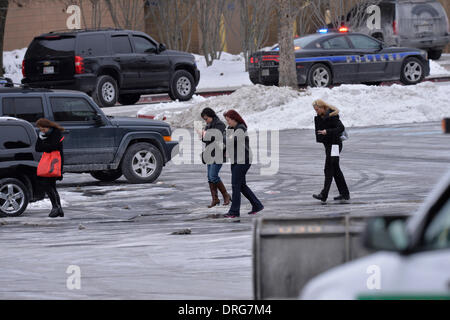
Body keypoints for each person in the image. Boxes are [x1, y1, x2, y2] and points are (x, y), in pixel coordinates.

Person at [223, 110, 263, 218]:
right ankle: (257, 205)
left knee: (236, 185)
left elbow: (231, 141)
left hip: (243, 160)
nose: (228, 123)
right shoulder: (231, 129)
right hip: (236, 160)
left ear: (234, 119)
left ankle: (234, 211)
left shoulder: (241, 128)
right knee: (241, 185)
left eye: (229, 120)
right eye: (226, 121)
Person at [312, 99, 350, 204]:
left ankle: (324, 194)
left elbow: (341, 128)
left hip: (335, 145)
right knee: (335, 169)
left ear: (322, 107)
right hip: (329, 145)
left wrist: (327, 131)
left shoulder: (332, 116)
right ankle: (345, 194)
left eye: (317, 110)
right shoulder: (321, 117)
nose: (316, 112)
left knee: (328, 168)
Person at [197, 108, 231, 208]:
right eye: (204, 119)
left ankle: (226, 195)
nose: (205, 121)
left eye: (206, 118)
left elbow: (217, 137)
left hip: (218, 153)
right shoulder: (208, 125)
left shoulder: (220, 124)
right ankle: (215, 199)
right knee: (210, 177)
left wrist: (205, 134)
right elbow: (207, 140)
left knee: (213, 176)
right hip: (209, 153)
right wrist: (202, 136)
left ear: (211, 116)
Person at [35, 118, 65, 218]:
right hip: (47, 162)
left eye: (43, 129)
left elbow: (54, 146)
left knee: (48, 184)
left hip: (55, 162)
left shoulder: (56, 132)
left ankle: (55, 207)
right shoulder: (42, 135)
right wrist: (46, 145)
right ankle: (58, 208)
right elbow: (37, 148)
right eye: (40, 129)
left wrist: (45, 145)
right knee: (51, 185)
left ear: (47, 126)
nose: (42, 131)